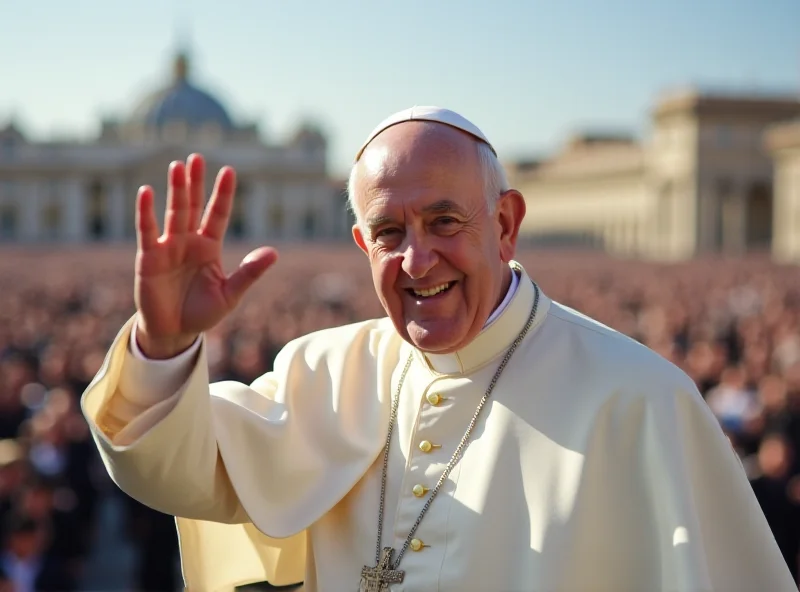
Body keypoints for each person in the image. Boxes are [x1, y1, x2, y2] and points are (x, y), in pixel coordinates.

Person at [81, 106, 795, 592]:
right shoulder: (322, 371)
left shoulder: (640, 400)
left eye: (445, 221)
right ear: (363, 245)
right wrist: (165, 346)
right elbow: (171, 467)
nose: (418, 260)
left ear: (507, 224)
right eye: (389, 232)